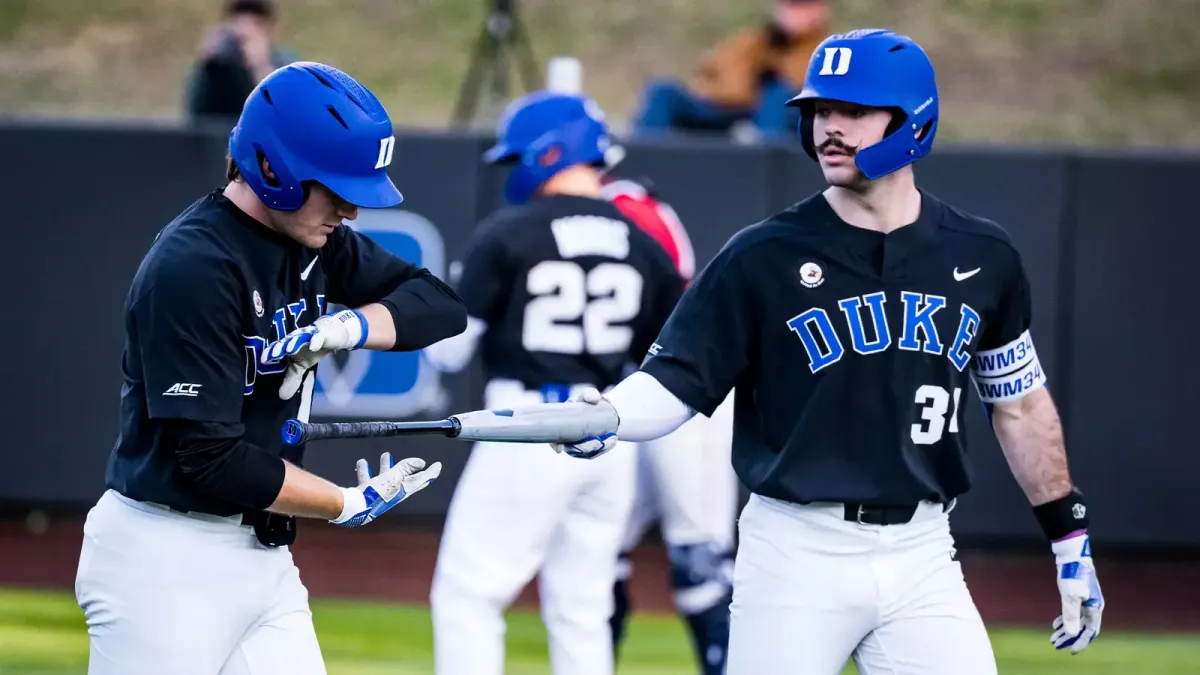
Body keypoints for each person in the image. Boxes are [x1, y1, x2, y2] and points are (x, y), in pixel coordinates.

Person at [493, 29, 1107, 673]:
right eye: (819, 111)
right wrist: (610, 417)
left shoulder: (983, 256)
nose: (829, 129)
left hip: (924, 550)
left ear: (912, 121)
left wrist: (1069, 539)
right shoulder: (762, 255)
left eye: (854, 112)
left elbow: (1019, 404)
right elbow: (673, 382)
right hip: (795, 552)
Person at [74, 61, 467, 675]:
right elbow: (209, 458)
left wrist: (350, 327)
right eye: (335, 189)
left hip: (261, 557)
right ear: (272, 168)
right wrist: (344, 501)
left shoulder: (315, 240)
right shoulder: (194, 266)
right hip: (164, 564)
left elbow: (439, 304)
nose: (350, 211)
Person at [421, 91, 686, 675]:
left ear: (548, 152)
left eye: (520, 158)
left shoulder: (511, 232)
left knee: (469, 595)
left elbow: (446, 349)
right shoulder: (644, 243)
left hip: (526, 427)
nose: (515, 172)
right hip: (607, 432)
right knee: (582, 610)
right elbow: (670, 358)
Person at [601, 176, 739, 675]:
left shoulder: (631, 208)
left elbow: (681, 304)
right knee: (598, 548)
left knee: (699, 557)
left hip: (683, 390)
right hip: (620, 398)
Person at [632, 0, 828, 141]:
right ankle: (644, 164)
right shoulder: (751, 42)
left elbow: (802, 86)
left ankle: (761, 173)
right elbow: (714, 78)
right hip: (729, 108)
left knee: (778, 96)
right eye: (791, 6)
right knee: (662, 91)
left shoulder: (825, 48)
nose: (795, 14)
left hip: (779, 121)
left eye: (804, 6)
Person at [185, 0, 298, 126]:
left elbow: (288, 117)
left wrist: (261, 67)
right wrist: (206, 65)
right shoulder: (219, 64)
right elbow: (195, 118)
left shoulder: (282, 64)